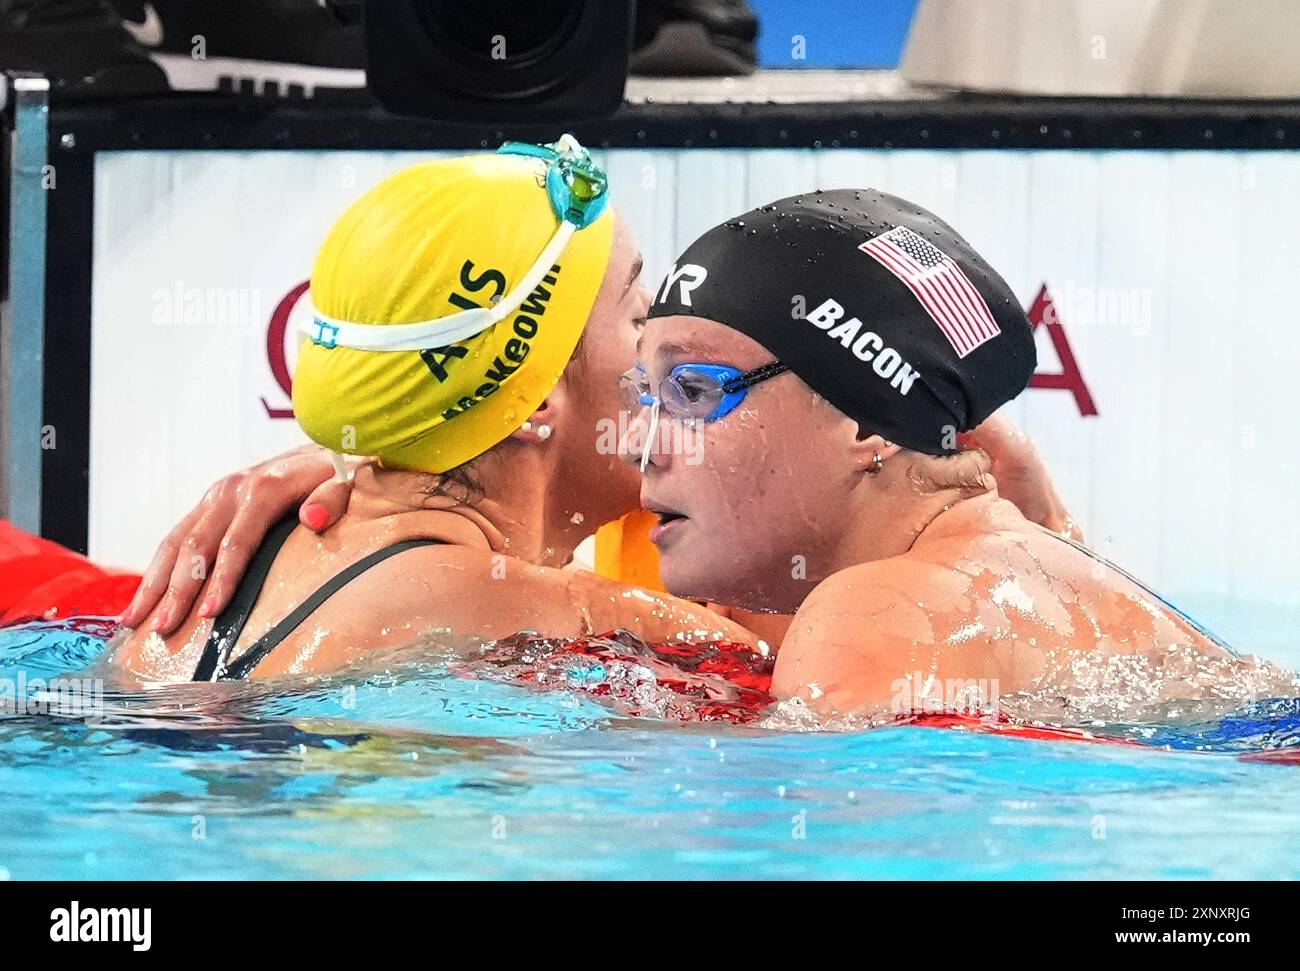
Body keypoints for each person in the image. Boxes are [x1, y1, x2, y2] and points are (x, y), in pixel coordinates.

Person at [112, 136, 759, 682]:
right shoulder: (548, 612)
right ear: (532, 401)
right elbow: (806, 695)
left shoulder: (267, 550)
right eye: (639, 315)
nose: (672, 342)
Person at [627, 188, 1294, 718]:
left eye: (693, 390)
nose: (642, 445)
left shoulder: (871, 614)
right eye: (644, 395)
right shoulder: (1040, 578)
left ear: (863, 419)